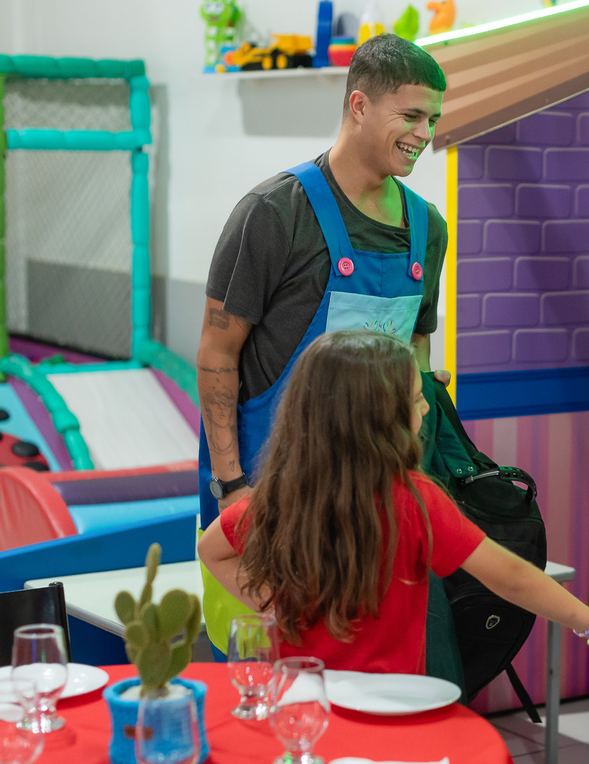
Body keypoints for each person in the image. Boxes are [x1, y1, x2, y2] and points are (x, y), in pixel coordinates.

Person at [198, 330, 589, 672]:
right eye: (417, 400)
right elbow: (512, 577)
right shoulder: (413, 500)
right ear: (378, 419)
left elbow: (211, 548)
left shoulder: (280, 495)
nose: (425, 410)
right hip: (390, 705)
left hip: (301, 698)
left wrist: (273, 604)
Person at [196, 34, 449, 651]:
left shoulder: (428, 229)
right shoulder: (273, 212)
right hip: (268, 492)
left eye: (434, 119)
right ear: (359, 105)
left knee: (363, 670)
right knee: (269, 677)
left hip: (372, 506)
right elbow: (216, 354)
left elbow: (416, 357)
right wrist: (234, 489)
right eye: (411, 115)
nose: (425, 134)